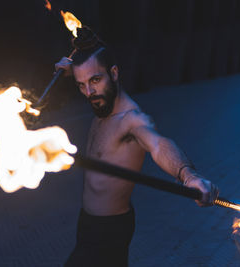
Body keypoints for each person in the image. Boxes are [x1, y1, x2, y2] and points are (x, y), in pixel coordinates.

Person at [56, 37, 219, 267]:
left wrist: (188, 175)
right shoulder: (102, 103)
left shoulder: (132, 119)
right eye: (81, 84)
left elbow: (159, 144)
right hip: (88, 223)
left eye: (95, 80)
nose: (89, 92)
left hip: (109, 229)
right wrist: (70, 72)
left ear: (114, 73)